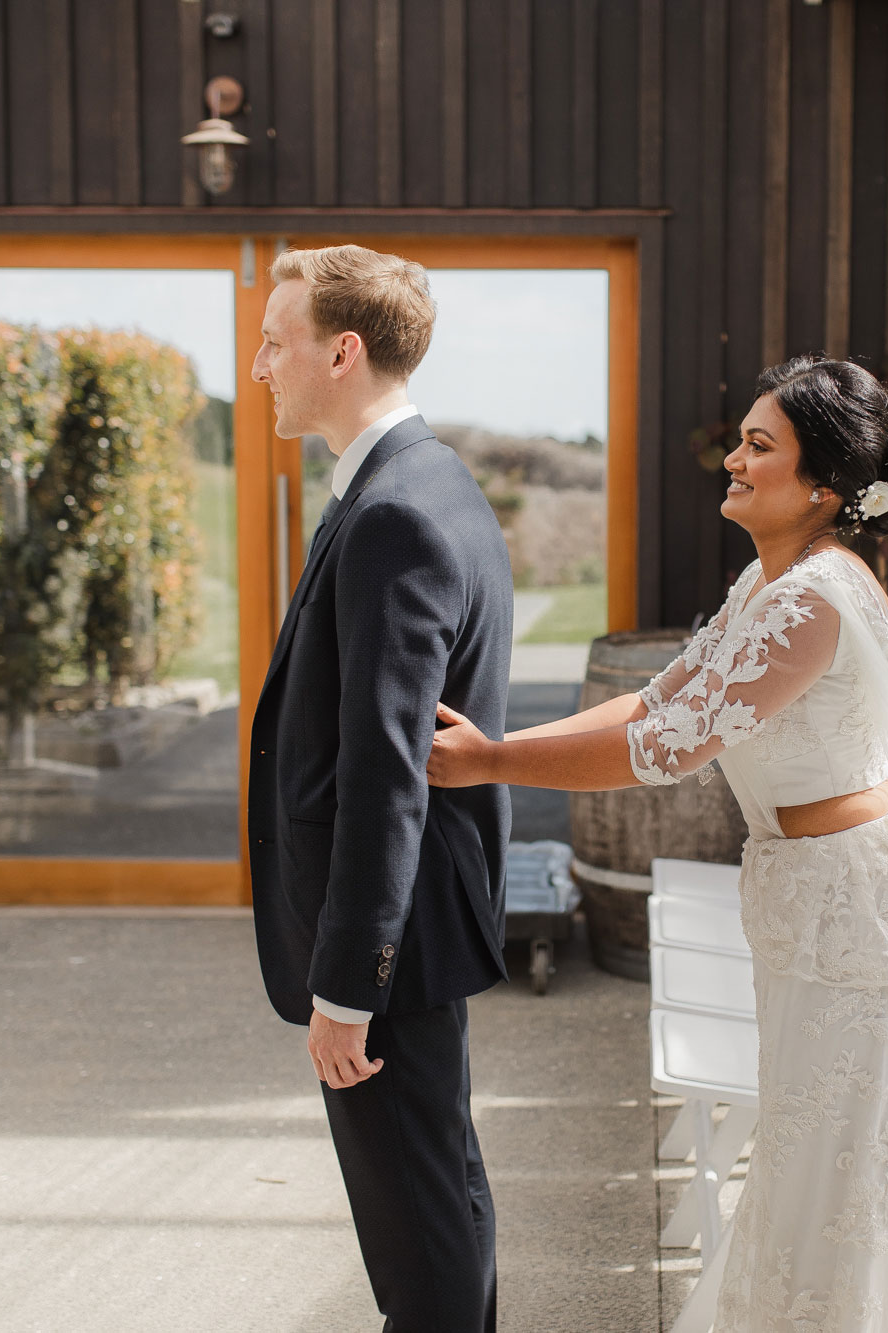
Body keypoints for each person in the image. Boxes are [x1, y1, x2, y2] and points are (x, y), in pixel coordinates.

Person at [429, 355, 888, 1329]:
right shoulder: (770, 581)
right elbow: (654, 696)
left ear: (824, 487)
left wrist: (486, 762)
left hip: (859, 925)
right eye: (741, 438)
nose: (733, 457)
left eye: (758, 445)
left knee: (838, 1184)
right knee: (805, 1168)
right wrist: (489, 744)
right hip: (809, 900)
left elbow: (659, 749)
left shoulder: (814, 600)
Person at [248, 244, 511, 1332]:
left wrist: (347, 983)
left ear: (340, 351)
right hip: (411, 927)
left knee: (415, 1234)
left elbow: (385, 772)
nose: (259, 363)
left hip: (385, 945)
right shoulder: (414, 482)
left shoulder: (394, 513)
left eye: (275, 340)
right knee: (438, 1195)